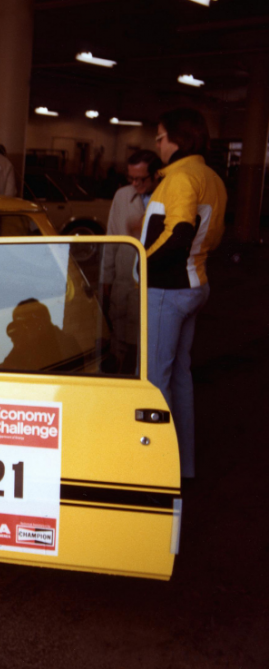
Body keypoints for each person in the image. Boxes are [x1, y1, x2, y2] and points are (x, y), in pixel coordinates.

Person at [141, 108, 227, 478]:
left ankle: (156, 473)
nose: (157, 145)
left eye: (160, 138)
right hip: (194, 285)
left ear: (178, 140)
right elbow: (212, 237)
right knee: (180, 377)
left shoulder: (179, 178)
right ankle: (182, 466)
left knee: (154, 382)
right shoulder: (211, 177)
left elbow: (178, 235)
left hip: (167, 289)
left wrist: (140, 263)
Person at [101, 149, 161, 374]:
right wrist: (106, 278)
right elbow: (111, 238)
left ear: (156, 174)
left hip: (152, 280)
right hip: (124, 278)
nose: (135, 184)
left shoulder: (166, 196)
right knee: (119, 332)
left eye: (141, 179)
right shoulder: (122, 196)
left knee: (147, 341)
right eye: (131, 178)